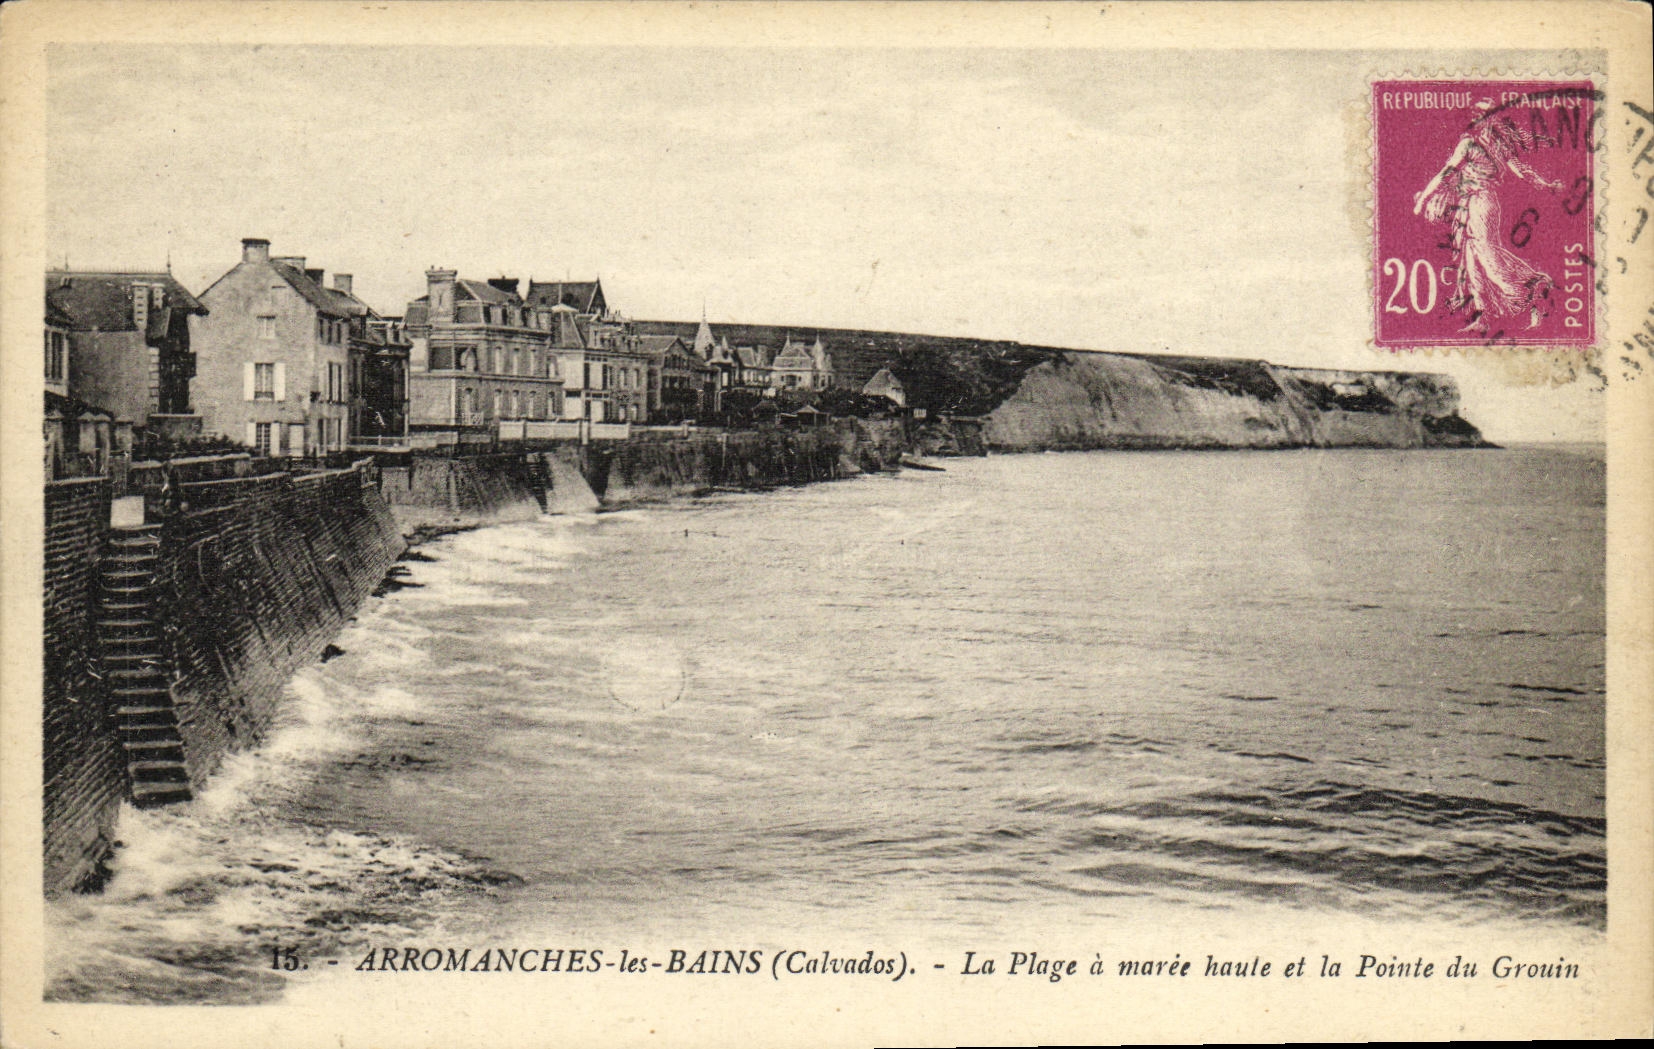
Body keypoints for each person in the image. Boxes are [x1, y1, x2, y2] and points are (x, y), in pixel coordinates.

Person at [1412, 98, 1565, 332]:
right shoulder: (1492, 145)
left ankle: (1533, 288)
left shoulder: (1476, 144)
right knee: (1472, 258)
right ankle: (1483, 316)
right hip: (1476, 202)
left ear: (1491, 118)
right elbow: (1522, 172)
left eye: (1485, 114)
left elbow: (1446, 172)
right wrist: (1546, 185)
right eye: (1478, 113)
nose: (1480, 118)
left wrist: (1423, 199)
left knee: (1487, 254)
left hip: (1481, 202)